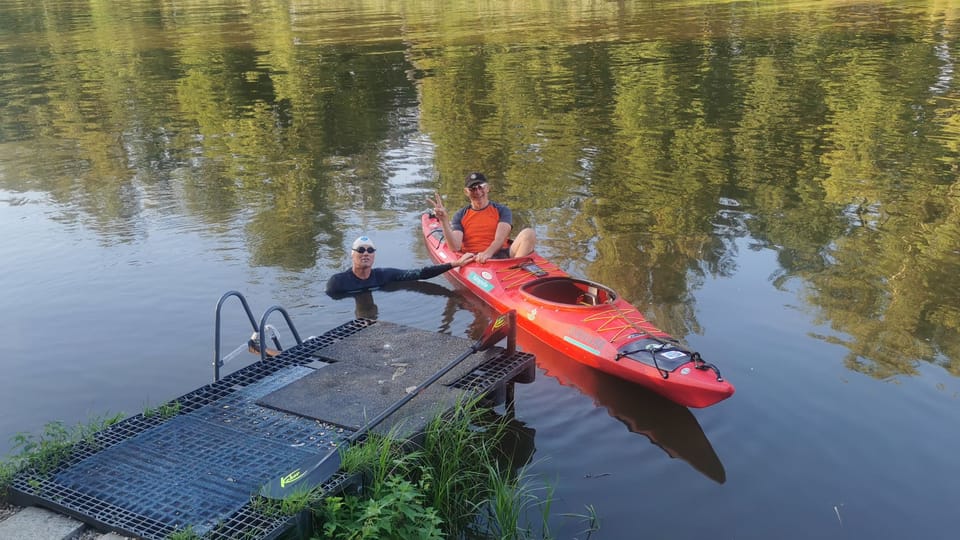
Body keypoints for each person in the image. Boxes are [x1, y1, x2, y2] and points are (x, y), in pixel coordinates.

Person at [430, 172, 536, 264]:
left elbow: (500, 239)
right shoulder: (460, 215)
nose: (477, 192)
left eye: (481, 187)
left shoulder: (502, 210)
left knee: (528, 233)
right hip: (474, 258)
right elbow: (455, 247)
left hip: (503, 255)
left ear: (487, 188)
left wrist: (487, 253)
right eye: (472, 189)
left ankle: (517, 268)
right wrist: (444, 221)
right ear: (466, 192)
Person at [325, 235, 474, 295]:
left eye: (370, 250)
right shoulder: (337, 283)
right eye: (360, 250)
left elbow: (420, 273)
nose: (365, 253)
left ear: (374, 255)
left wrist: (455, 264)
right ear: (352, 254)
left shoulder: (384, 275)